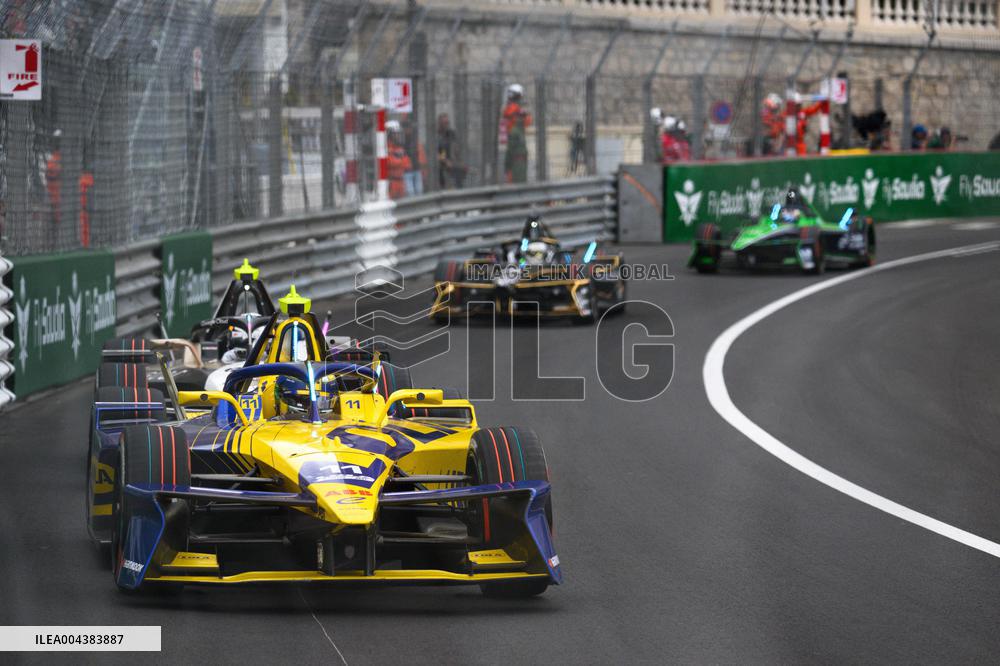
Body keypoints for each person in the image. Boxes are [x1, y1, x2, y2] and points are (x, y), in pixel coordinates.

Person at [503, 83, 532, 183]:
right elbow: (528, 121)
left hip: (513, 141)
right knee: (516, 179)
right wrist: (525, 114)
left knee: (512, 176)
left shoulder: (509, 109)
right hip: (516, 145)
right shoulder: (516, 110)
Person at [436, 113, 466, 189]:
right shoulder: (437, 135)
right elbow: (437, 153)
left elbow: (456, 149)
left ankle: (459, 189)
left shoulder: (451, 133)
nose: (447, 125)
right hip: (440, 165)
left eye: (447, 123)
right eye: (444, 123)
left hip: (452, 162)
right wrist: (445, 161)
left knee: (460, 171)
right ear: (440, 124)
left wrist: (460, 161)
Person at [385, 120, 411, 200]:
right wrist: (401, 161)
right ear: (389, 135)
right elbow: (390, 163)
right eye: (395, 134)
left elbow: (408, 165)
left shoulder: (400, 148)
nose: (397, 136)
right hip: (391, 182)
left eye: (398, 134)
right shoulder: (385, 148)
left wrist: (399, 161)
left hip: (401, 181)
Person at [401, 118, 426, 196]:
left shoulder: (415, 140)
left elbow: (420, 154)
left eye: (409, 127)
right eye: (406, 128)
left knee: (419, 191)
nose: (408, 130)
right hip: (407, 171)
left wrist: (422, 168)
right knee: (410, 193)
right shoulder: (401, 141)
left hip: (416, 168)